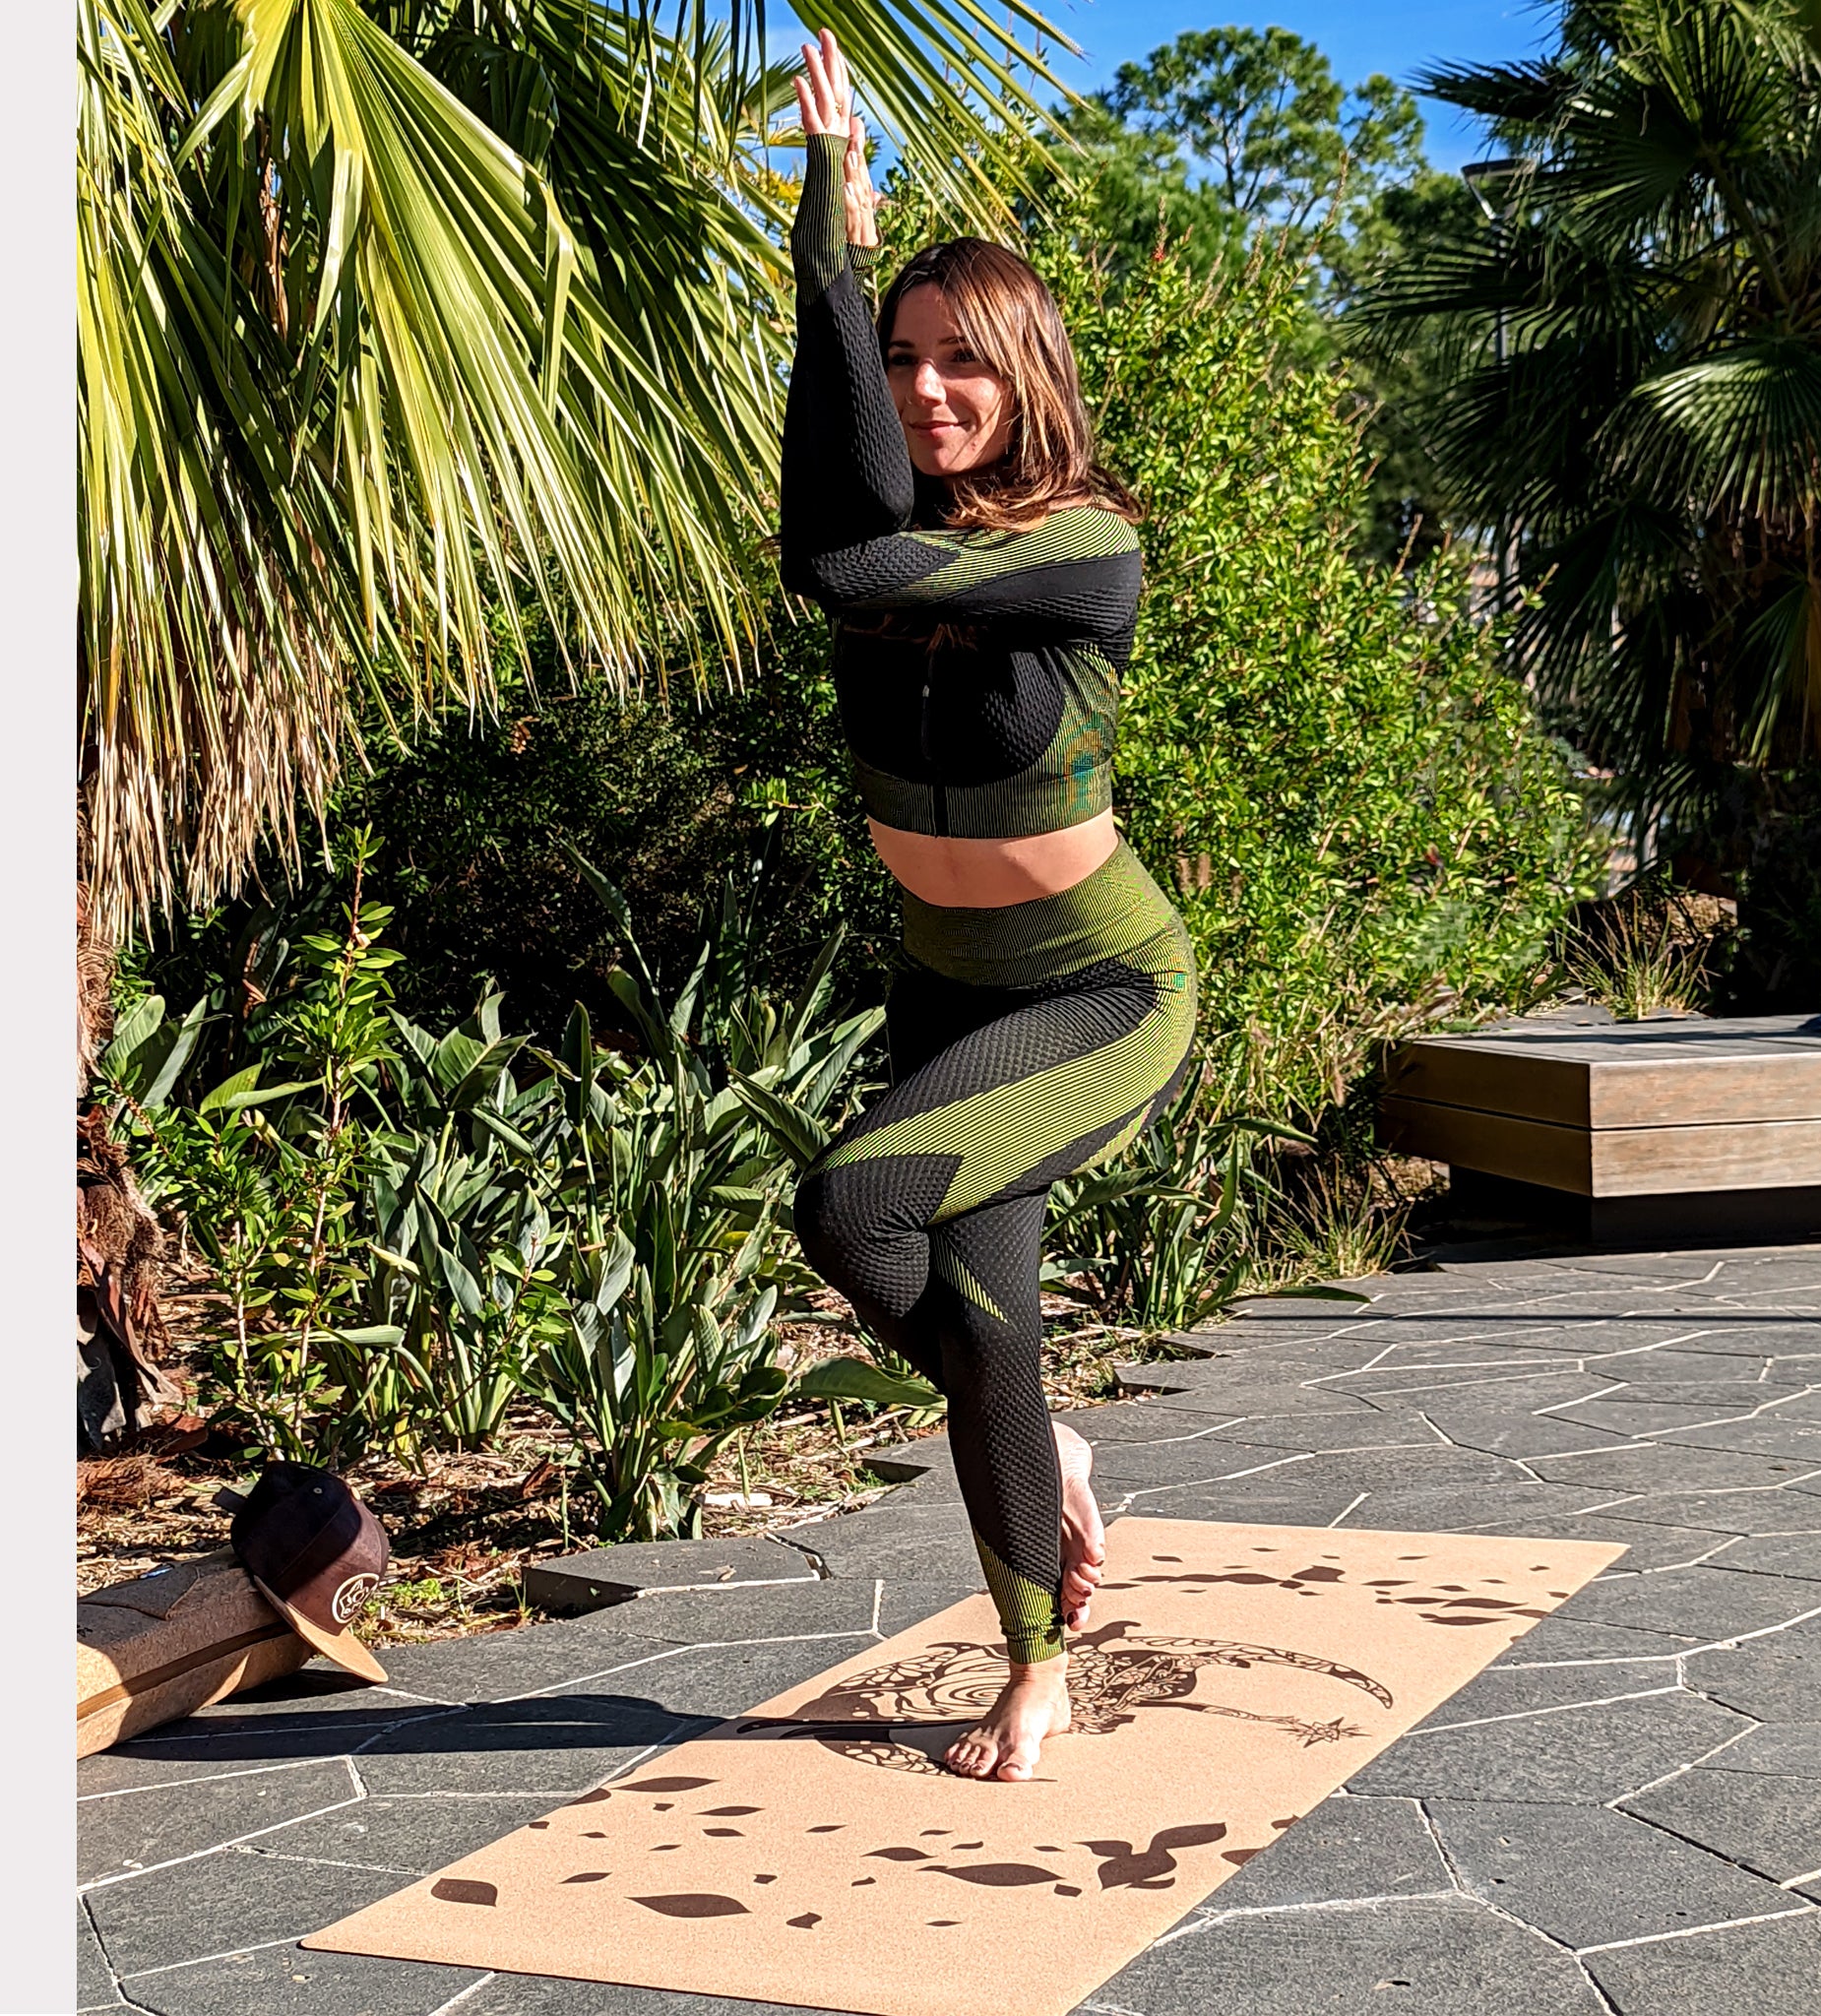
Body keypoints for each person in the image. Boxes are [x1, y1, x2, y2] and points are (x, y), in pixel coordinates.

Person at [781, 32, 1197, 1783]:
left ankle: (1027, 1439)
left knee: (849, 1206)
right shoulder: (896, 522)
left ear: (1027, 377)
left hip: (1101, 993)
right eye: (902, 364)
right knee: (992, 1333)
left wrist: (835, 254)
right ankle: (1039, 1659)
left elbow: (847, 559)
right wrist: (833, 240)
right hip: (947, 985)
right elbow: (839, 510)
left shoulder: (1084, 547)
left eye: (966, 363)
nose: (933, 391)